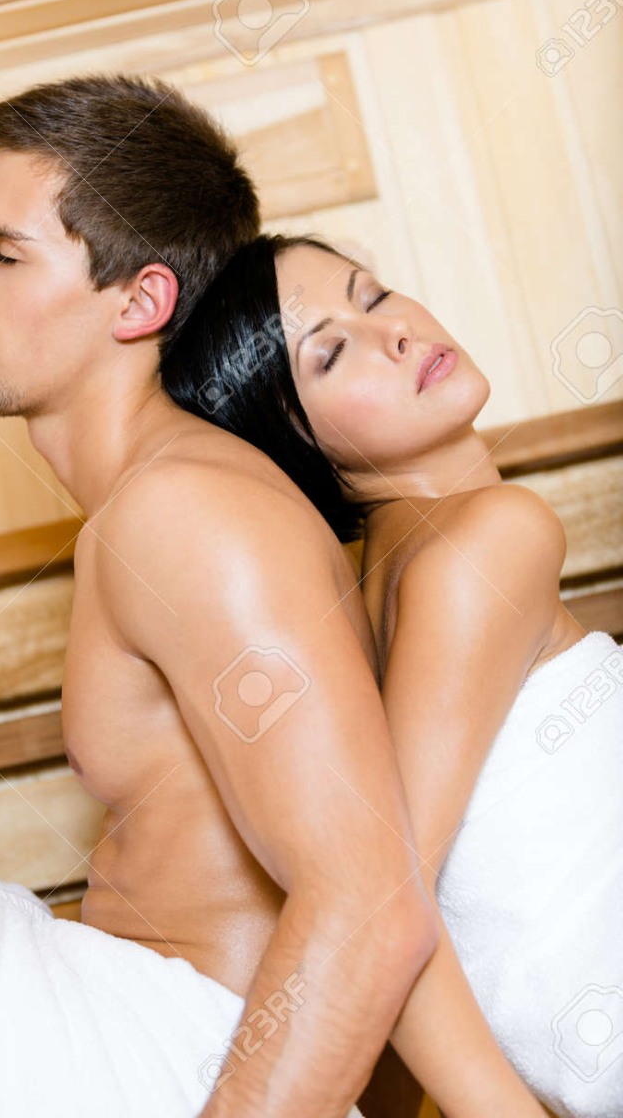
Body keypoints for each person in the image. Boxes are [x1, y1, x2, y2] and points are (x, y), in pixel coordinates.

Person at [0, 79, 438, 1118]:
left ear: (140, 302)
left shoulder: (189, 511)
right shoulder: (149, 504)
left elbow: (372, 904)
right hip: (104, 1003)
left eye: (3, 254)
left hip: (177, 1059)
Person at [160, 232, 623, 1118]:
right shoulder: (492, 538)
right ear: (293, 437)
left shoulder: (388, 588)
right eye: (330, 354)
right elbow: (384, 912)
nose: (396, 333)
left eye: (372, 297)